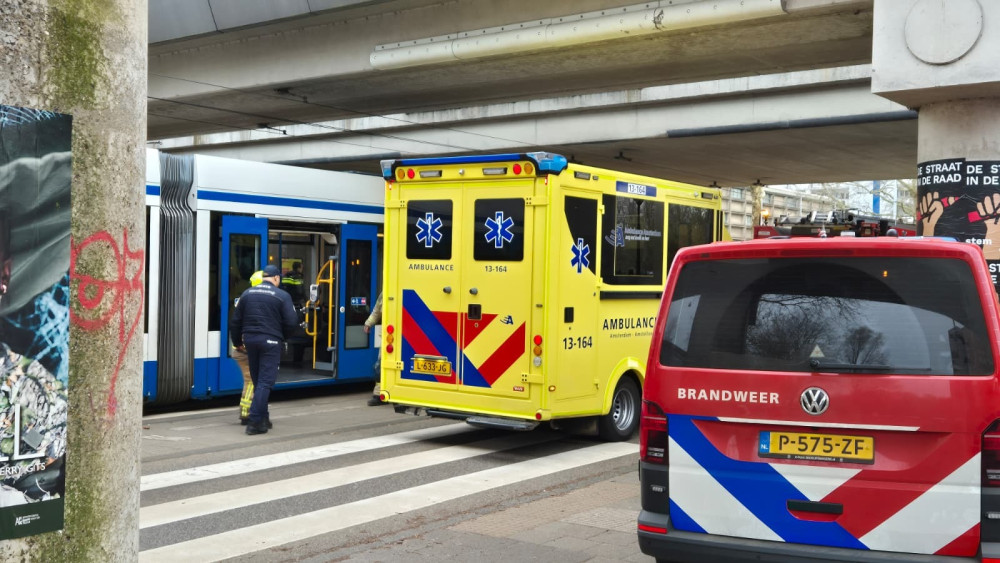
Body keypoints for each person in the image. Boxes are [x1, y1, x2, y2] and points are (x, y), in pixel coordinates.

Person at [230, 264, 299, 435]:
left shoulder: (247, 293)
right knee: (265, 382)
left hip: (251, 342)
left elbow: (235, 321)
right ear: (276, 278)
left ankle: (263, 418)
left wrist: (238, 341)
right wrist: (281, 337)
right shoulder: (282, 296)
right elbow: (291, 322)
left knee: (257, 379)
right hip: (271, 342)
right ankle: (254, 422)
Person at [233, 270, 264, 425]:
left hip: (242, 347)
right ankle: (245, 413)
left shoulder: (246, 297)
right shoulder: (256, 300)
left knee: (251, 381)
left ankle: (251, 411)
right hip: (245, 349)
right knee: (251, 380)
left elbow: (235, 323)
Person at [363, 291, 384, 406]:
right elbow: (377, 310)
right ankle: (378, 394)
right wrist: (368, 323)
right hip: (389, 337)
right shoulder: (385, 293)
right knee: (380, 365)